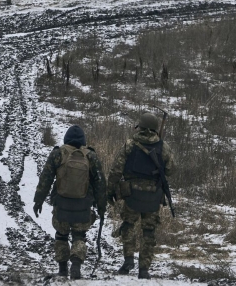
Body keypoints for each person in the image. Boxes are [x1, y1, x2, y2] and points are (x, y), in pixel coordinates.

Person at [107, 112, 175, 279]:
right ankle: (144, 268)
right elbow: (171, 169)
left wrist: (110, 190)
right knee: (149, 231)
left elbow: (116, 169)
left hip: (132, 194)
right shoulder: (162, 146)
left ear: (140, 126)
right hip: (153, 196)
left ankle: (128, 259)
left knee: (128, 225)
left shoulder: (130, 144)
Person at [33, 125, 107, 279]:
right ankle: (76, 265)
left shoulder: (57, 154)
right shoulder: (90, 156)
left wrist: (38, 200)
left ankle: (62, 269)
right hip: (83, 205)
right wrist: (101, 206)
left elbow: (45, 179)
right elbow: (100, 183)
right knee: (79, 236)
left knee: (61, 235)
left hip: (61, 205)